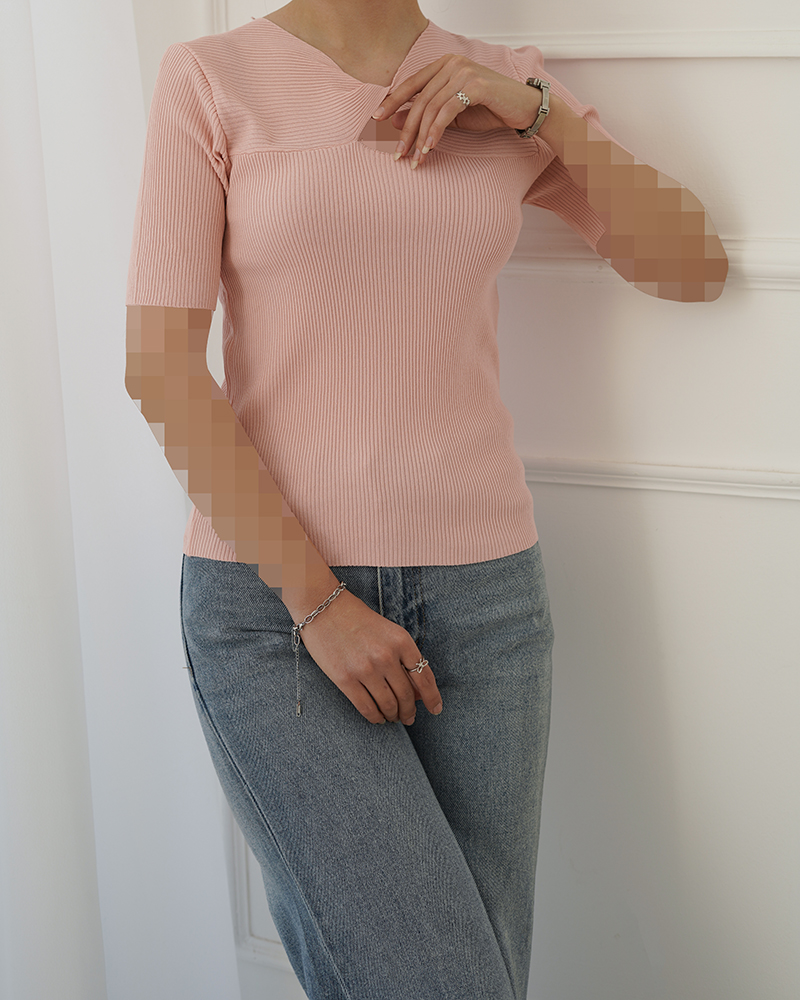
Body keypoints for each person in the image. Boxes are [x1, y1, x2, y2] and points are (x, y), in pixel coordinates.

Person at [124, 2, 727, 997]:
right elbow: (160, 367)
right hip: (277, 611)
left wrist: (540, 115)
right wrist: (317, 602)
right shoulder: (211, 78)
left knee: (475, 976)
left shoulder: (501, 81)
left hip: (487, 608)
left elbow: (690, 265)